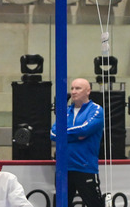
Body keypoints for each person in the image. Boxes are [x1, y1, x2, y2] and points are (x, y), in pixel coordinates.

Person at [51, 78, 105, 207]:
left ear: (88, 91)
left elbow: (85, 129)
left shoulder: (96, 110)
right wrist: (77, 135)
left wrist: (64, 134)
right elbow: (53, 134)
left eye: (78, 88)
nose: (74, 92)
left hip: (84, 167)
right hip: (63, 169)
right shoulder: (65, 112)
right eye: (72, 88)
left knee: (94, 204)